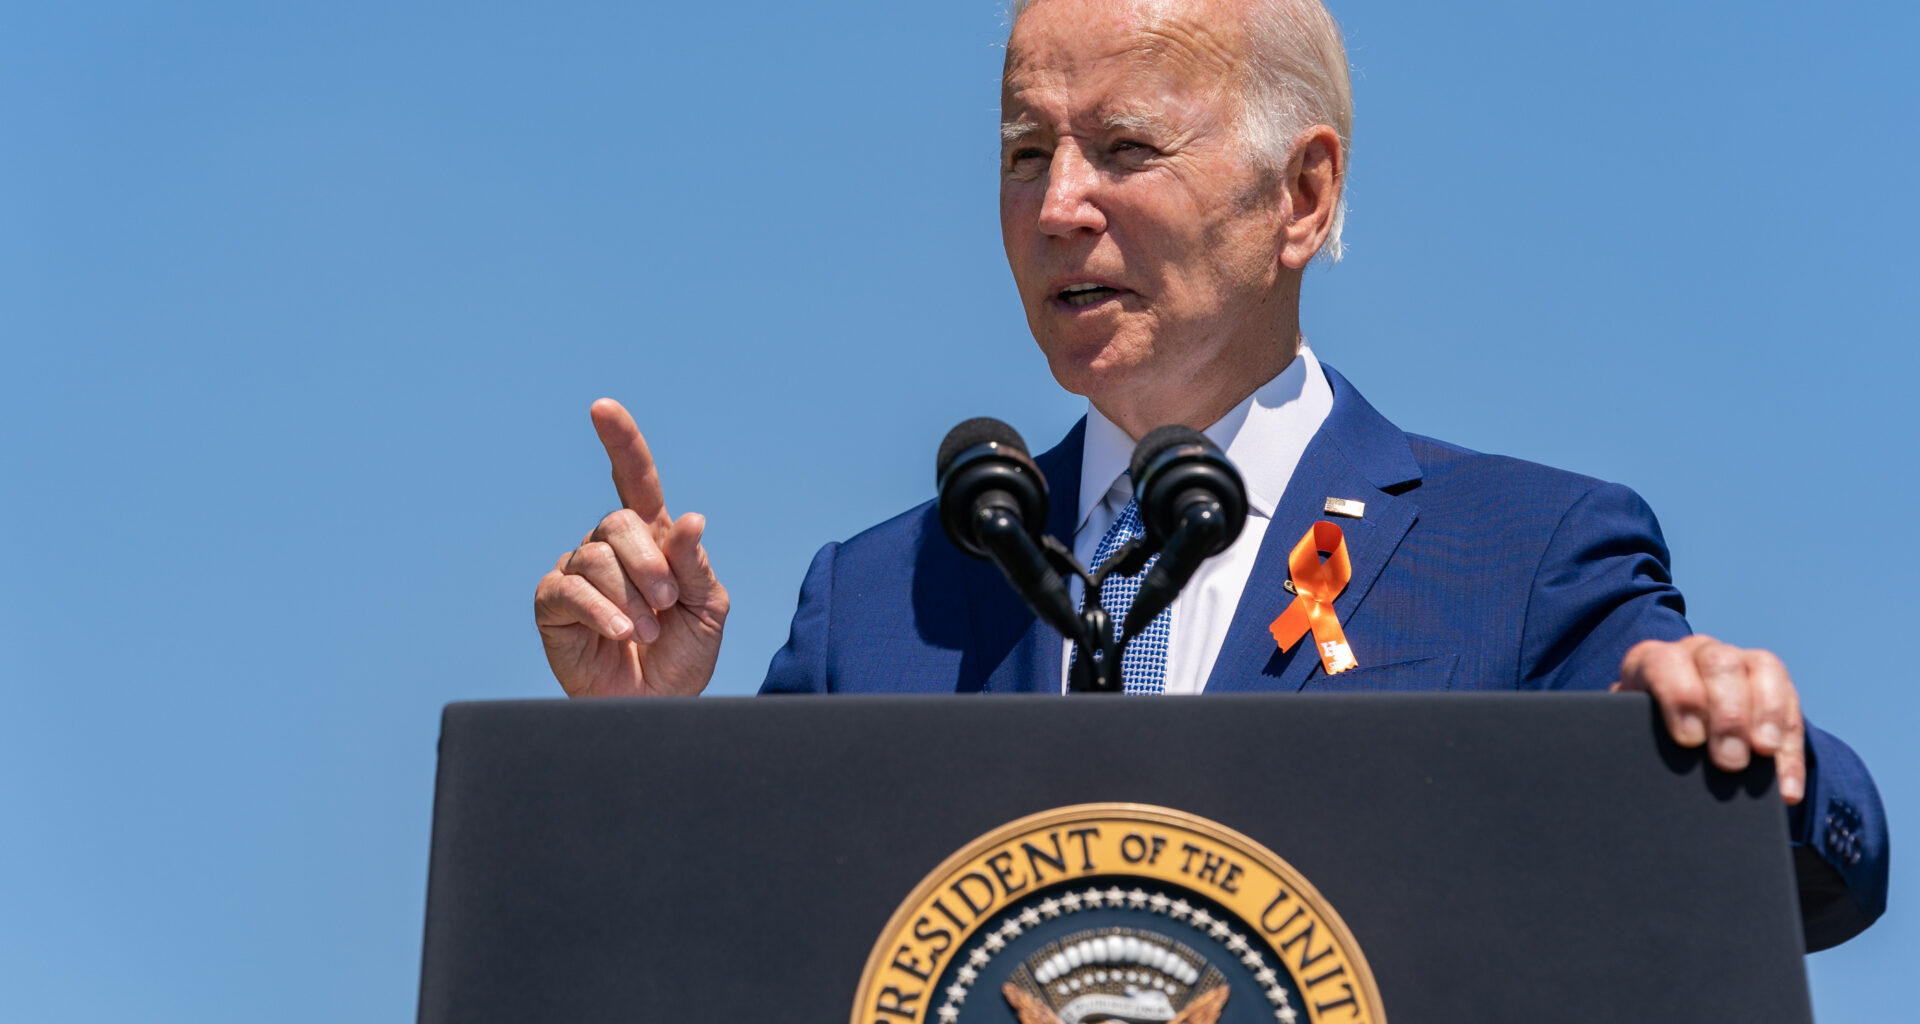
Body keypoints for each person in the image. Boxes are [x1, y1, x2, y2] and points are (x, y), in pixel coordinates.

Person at [531, 0, 1886, 948]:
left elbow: (1813, 873)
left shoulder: (1524, 557)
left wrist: (1744, 742)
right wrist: (641, 746)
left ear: (1301, 196)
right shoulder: (882, 602)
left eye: (1124, 149)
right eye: (1023, 153)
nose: (1059, 204)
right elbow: (729, 964)